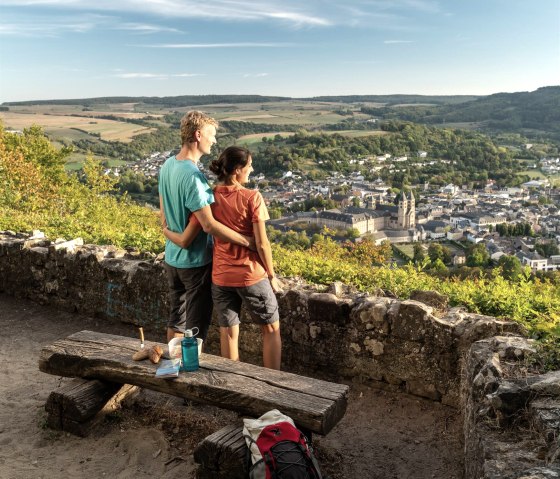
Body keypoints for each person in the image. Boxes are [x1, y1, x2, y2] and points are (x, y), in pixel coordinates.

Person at [164, 146, 282, 370]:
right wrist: (272, 274)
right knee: (271, 329)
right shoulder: (252, 197)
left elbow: (199, 226)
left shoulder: (209, 196)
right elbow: (262, 243)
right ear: (237, 170)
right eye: (249, 166)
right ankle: (273, 382)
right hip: (250, 274)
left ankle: (231, 382)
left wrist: (167, 231)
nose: (252, 169)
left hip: (221, 277)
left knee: (228, 332)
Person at [158, 111, 254, 344]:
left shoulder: (168, 165)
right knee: (195, 329)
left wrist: (170, 234)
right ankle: (188, 373)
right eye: (211, 135)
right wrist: (246, 241)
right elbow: (209, 225)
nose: (214, 141)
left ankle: (172, 368)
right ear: (198, 135)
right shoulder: (194, 177)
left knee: (176, 320)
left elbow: (163, 216)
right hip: (195, 263)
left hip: (172, 258)